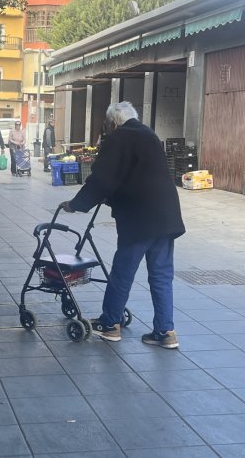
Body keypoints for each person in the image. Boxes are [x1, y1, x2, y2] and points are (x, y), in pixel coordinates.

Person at [60, 101, 185, 348]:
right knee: (161, 276)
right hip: (166, 217)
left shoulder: (118, 138)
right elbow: (137, 175)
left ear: (114, 122)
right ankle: (166, 331)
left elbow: (102, 178)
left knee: (122, 273)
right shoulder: (149, 135)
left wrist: (76, 204)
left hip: (139, 220)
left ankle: (110, 325)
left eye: (108, 125)